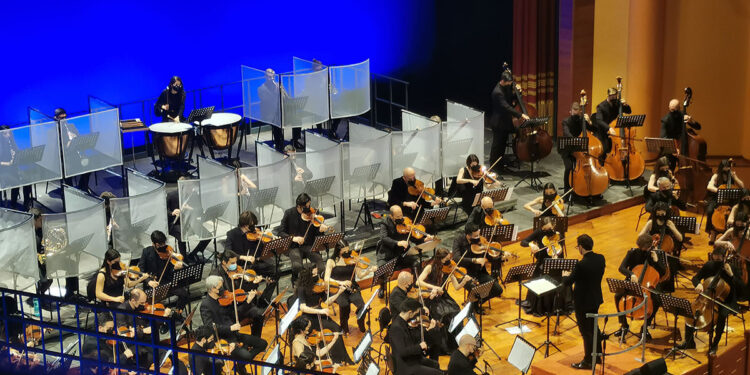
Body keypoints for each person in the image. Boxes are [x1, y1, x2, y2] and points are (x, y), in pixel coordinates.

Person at [677, 247, 746, 355]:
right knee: (691, 311)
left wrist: (731, 275)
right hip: (707, 297)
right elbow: (695, 278)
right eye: (715, 259)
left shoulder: (731, 268)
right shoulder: (709, 265)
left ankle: (714, 344)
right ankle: (689, 342)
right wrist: (698, 284)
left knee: (722, 316)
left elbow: (742, 289)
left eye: (719, 261)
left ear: (724, 258)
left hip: (726, 300)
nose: (716, 263)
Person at [199, 275, 268, 371]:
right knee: (247, 356)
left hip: (234, 334)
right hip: (223, 340)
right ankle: (241, 365)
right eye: (220, 287)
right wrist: (230, 328)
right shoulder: (206, 305)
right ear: (213, 289)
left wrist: (247, 301)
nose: (223, 289)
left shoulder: (223, 299)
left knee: (262, 343)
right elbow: (210, 327)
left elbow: (235, 315)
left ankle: (239, 366)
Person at [293, 264, 352, 364]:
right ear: (308, 274)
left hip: (320, 311)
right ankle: (322, 357)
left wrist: (339, 293)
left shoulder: (319, 285)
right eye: (314, 273)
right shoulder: (302, 288)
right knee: (318, 335)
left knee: (337, 329)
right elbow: (303, 307)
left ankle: (339, 358)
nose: (317, 275)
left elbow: (327, 301)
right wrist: (320, 311)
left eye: (317, 273)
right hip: (310, 317)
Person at [562, 234, 605, 370]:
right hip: (595, 298)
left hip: (583, 302)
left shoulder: (581, 264)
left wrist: (565, 275)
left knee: (586, 331)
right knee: (594, 327)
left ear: (580, 247)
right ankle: (597, 356)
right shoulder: (600, 258)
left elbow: (568, 282)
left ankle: (587, 361)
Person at [613, 234, 665, 341]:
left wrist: (656, 261)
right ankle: (624, 325)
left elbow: (663, 273)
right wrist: (631, 274)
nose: (642, 250)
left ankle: (645, 327)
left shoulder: (656, 254)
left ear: (650, 246)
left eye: (644, 248)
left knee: (657, 300)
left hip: (649, 284)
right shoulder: (633, 252)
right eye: (640, 248)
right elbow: (621, 268)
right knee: (617, 295)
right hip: (634, 282)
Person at [27, 208, 84, 305]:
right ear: (34, 220)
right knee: (47, 279)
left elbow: (49, 243)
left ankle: (70, 293)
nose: (42, 221)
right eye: (40, 220)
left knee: (72, 265)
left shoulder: (42, 230)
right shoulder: (27, 234)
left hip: (49, 259)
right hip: (36, 263)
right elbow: (29, 253)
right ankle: (40, 295)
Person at [520, 217, 572, 316]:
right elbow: (523, 242)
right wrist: (532, 245)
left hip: (556, 261)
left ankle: (559, 304)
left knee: (563, 277)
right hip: (543, 262)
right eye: (545, 229)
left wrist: (557, 257)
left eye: (549, 229)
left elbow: (559, 249)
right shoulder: (539, 232)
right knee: (540, 275)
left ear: (553, 226)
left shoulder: (558, 234)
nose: (547, 231)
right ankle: (544, 306)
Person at [209, 250, 267, 337]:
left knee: (259, 314)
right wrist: (233, 295)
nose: (235, 265)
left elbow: (244, 289)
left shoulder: (238, 271)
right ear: (224, 262)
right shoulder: (215, 275)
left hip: (241, 304)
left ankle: (255, 339)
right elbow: (219, 295)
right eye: (232, 263)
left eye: (235, 262)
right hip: (227, 308)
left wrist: (254, 283)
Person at [323, 240, 373, 334]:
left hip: (352, 287)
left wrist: (369, 271)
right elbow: (326, 279)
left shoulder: (353, 258)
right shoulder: (331, 261)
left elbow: (360, 275)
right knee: (344, 305)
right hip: (339, 289)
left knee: (362, 306)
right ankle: (344, 327)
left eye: (348, 250)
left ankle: (360, 322)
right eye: (344, 252)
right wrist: (341, 282)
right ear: (338, 250)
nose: (347, 253)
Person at [452, 223, 504, 313]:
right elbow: (456, 258)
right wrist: (474, 260)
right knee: (475, 288)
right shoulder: (458, 240)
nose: (478, 237)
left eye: (478, 234)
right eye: (475, 236)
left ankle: (474, 303)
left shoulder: (480, 241)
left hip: (479, 272)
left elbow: (490, 257)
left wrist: (501, 257)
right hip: (465, 274)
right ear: (468, 235)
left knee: (498, 289)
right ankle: (473, 306)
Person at [277, 193, 329, 281]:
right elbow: (280, 232)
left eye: (309, 206)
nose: (308, 210)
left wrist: (320, 231)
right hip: (293, 247)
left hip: (308, 245)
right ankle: (298, 282)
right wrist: (294, 238)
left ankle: (318, 284)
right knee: (297, 266)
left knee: (320, 263)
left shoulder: (313, 214)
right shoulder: (289, 213)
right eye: (306, 207)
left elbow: (316, 235)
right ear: (299, 206)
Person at [377, 205, 431, 287]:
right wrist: (397, 243)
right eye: (398, 216)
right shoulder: (385, 223)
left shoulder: (406, 223)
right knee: (381, 269)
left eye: (401, 215)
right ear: (391, 216)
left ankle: (414, 284)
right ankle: (382, 287)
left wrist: (424, 240)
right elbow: (383, 238)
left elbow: (414, 239)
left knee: (416, 263)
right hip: (387, 255)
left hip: (401, 255)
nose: (401, 218)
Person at [417, 248, 472, 325]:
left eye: (449, 258)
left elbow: (457, 287)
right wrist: (434, 287)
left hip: (443, 295)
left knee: (456, 310)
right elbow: (418, 282)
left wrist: (464, 281)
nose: (449, 261)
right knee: (443, 315)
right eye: (446, 259)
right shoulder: (430, 267)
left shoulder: (449, 268)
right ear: (440, 259)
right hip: (431, 296)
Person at [137, 231, 189, 311]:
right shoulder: (146, 252)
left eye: (163, 244)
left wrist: (175, 268)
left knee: (184, 294)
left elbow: (171, 270)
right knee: (152, 304)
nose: (162, 246)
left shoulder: (169, 251)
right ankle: (161, 317)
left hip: (167, 282)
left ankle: (177, 313)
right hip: (153, 285)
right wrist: (148, 281)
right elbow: (140, 271)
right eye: (159, 245)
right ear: (153, 244)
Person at [389, 298, 443, 375]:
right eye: (415, 313)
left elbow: (411, 338)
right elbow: (402, 352)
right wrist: (419, 347)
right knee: (438, 374)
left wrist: (427, 330)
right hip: (405, 366)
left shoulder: (402, 322)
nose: (415, 316)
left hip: (411, 358)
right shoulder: (397, 328)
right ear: (410, 313)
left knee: (435, 364)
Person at [489, 71, 529, 173]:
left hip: (505, 122)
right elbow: (507, 107)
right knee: (497, 146)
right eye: (509, 82)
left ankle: (500, 165)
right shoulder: (497, 92)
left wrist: (518, 93)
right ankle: (493, 167)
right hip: (498, 123)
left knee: (502, 146)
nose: (510, 84)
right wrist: (520, 115)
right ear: (503, 81)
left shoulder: (506, 87)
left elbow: (511, 99)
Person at [638, 202, 683, 292]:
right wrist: (650, 244)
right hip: (652, 251)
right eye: (658, 213)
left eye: (662, 213)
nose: (660, 215)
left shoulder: (669, 223)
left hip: (665, 254)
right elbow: (640, 238)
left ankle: (666, 289)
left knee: (670, 266)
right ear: (655, 213)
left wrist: (672, 228)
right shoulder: (651, 223)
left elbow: (680, 238)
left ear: (666, 213)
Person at [225, 210, 278, 283]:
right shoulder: (232, 234)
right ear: (245, 225)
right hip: (240, 267)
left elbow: (259, 253)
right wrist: (243, 257)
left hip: (253, 264)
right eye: (252, 225)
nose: (254, 227)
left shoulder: (255, 234)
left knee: (275, 271)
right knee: (249, 282)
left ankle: (266, 292)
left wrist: (264, 241)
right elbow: (227, 252)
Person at [166, 186, 211, 263]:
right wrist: (172, 212)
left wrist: (190, 208)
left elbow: (200, 210)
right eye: (189, 187)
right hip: (175, 223)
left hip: (190, 221)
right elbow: (164, 210)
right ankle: (185, 261)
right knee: (182, 236)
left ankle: (193, 254)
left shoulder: (192, 195)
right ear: (182, 187)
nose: (191, 189)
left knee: (207, 235)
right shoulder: (171, 195)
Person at [705, 159, 744, 244]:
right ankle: (712, 232)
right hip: (717, 198)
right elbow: (709, 186)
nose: (726, 170)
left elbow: (742, 186)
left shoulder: (731, 175)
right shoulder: (716, 176)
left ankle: (730, 233)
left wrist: (735, 177)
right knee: (710, 211)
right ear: (721, 168)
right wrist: (719, 190)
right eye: (725, 168)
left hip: (729, 200)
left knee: (736, 210)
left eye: (728, 168)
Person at [56, 108, 92, 193]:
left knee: (89, 166)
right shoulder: (54, 130)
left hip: (75, 153)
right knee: (68, 170)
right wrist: (67, 144)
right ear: (57, 118)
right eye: (62, 118)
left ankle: (83, 187)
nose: (64, 120)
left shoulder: (71, 126)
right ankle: (71, 191)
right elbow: (56, 148)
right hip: (65, 157)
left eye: (65, 118)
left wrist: (76, 139)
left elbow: (79, 138)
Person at [592, 88, 631, 164]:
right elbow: (599, 120)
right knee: (605, 149)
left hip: (614, 132)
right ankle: (602, 166)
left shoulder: (617, 104)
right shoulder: (601, 106)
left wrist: (626, 105)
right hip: (603, 132)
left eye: (615, 96)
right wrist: (609, 128)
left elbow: (629, 111)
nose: (614, 98)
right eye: (612, 96)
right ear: (608, 95)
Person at [560, 102, 591, 192]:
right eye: (574, 113)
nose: (575, 116)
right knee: (569, 167)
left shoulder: (582, 121)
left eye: (577, 114)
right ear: (570, 112)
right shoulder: (565, 121)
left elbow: (594, 129)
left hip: (579, 150)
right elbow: (567, 133)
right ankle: (566, 189)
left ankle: (583, 186)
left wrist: (589, 121)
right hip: (568, 149)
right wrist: (575, 140)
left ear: (580, 112)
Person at [0, 125, 32, 210]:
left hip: (13, 169)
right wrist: (8, 163)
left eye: (9, 133)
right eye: (5, 134)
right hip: (3, 171)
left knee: (28, 180)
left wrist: (17, 156)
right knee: (15, 182)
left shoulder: (11, 142)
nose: (8, 135)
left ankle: (26, 204)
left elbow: (17, 153)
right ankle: (13, 204)